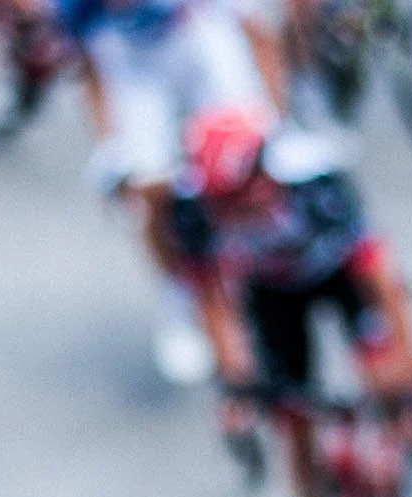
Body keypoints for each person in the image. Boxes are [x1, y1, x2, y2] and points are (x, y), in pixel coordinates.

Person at [167, 103, 412, 497]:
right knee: (291, 418)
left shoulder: (316, 184)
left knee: (388, 382)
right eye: (220, 204)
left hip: (342, 277)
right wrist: (235, 383)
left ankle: (410, 472)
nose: (232, 215)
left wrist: (410, 378)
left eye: (238, 199)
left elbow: (382, 282)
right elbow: (212, 299)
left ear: (264, 176)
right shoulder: (193, 210)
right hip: (273, 292)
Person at [52, 0, 277, 384]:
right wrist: (110, 146)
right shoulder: (77, 9)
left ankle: (267, 273)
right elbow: (90, 68)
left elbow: (257, 33)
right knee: (149, 189)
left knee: (245, 162)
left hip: (201, 42)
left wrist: (272, 117)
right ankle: (180, 294)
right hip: (136, 69)